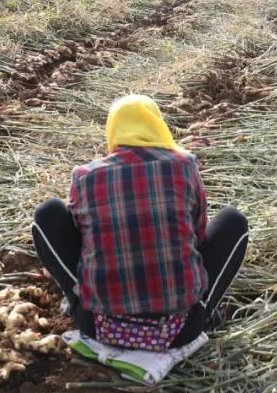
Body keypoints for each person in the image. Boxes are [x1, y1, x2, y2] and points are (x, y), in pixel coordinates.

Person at [32, 95, 249, 352]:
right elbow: (199, 233)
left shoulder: (85, 176)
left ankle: (76, 302)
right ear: (158, 125)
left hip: (99, 326)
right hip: (181, 330)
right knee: (233, 221)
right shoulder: (184, 166)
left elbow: (82, 239)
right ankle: (205, 313)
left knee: (47, 213)